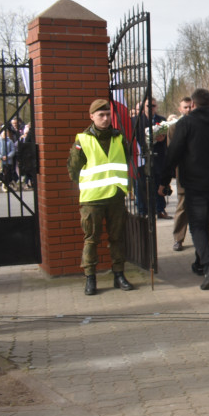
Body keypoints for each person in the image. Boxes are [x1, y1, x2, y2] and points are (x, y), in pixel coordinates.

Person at [161, 88, 209, 291]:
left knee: (197, 226)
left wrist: (164, 180)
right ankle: (199, 263)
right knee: (203, 222)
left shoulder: (186, 123)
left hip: (193, 183)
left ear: (193, 104)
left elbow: (173, 153)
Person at [67, 99, 135, 296]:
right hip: (93, 199)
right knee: (91, 239)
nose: (105, 119)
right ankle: (90, 277)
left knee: (117, 238)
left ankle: (119, 275)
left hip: (115, 196)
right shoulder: (83, 140)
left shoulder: (119, 138)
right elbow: (73, 169)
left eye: (107, 115)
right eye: (101, 115)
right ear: (92, 117)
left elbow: (127, 160)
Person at [170, 96, 192, 251]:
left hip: (201, 173)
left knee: (202, 207)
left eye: (191, 107)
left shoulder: (202, 125)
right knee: (183, 206)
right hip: (184, 172)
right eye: (185, 107)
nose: (188, 110)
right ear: (180, 109)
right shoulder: (174, 128)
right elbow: (172, 152)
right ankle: (178, 238)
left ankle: (203, 239)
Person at [0, 125, 16, 191]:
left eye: (6, 133)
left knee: (7, 173)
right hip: (0, 161)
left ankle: (5, 184)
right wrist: (0, 156)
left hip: (8, 161)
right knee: (1, 173)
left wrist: (8, 156)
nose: (5, 134)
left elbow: (13, 150)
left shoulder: (10, 141)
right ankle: (7, 183)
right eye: (3, 133)